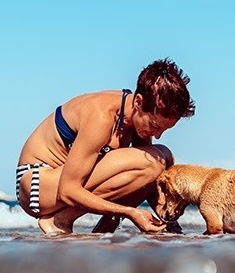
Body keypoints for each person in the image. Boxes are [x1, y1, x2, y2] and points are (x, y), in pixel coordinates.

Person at [15, 59, 195, 234]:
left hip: (57, 183)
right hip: (36, 185)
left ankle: (104, 232)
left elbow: (148, 181)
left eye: (164, 129)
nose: (157, 135)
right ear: (139, 102)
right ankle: (59, 221)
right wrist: (129, 212)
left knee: (162, 157)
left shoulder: (134, 118)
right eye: (155, 126)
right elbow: (67, 189)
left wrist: (170, 223)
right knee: (152, 162)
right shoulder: (101, 117)